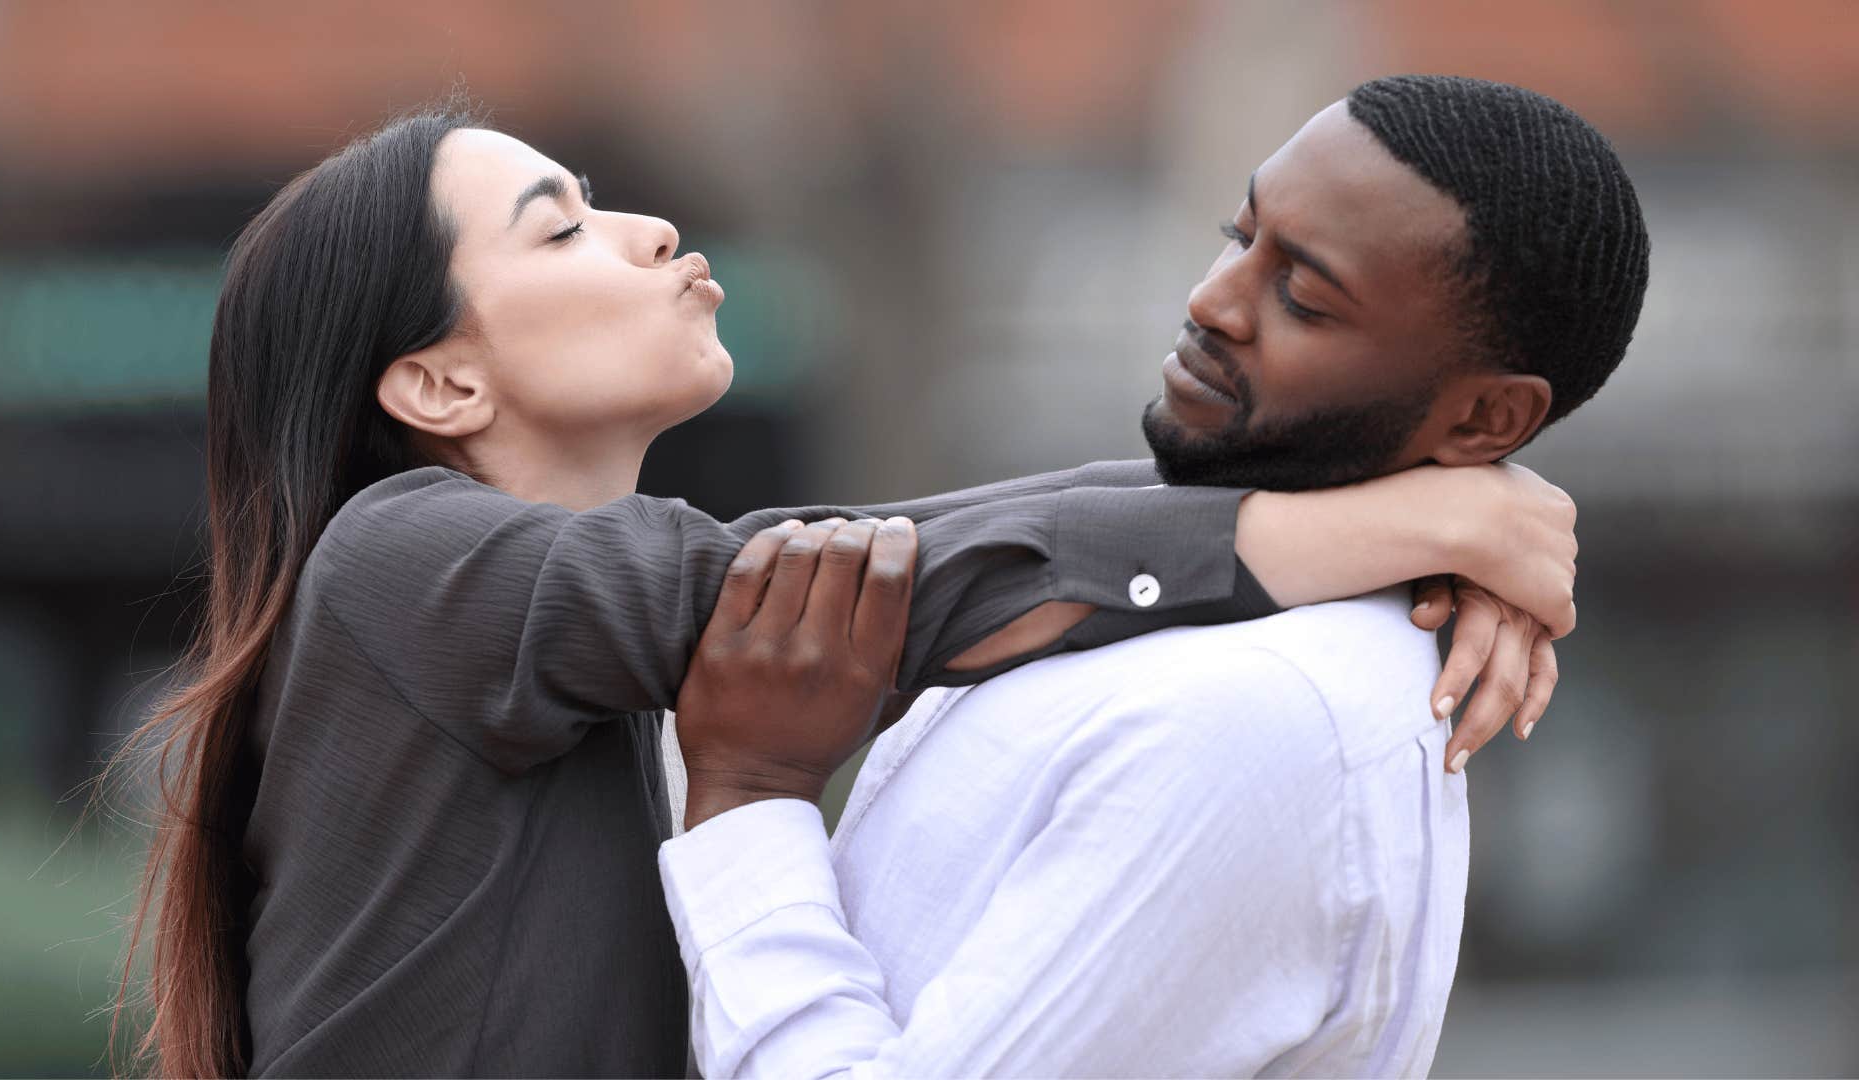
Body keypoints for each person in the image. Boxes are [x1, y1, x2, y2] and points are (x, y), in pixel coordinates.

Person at [111, 95, 1575, 1078]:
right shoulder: (400, 562)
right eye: (559, 228)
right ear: (438, 379)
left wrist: (1423, 510)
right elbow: (851, 589)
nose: (651, 234)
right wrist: (1409, 521)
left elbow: (872, 547)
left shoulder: (552, 643)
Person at [662, 74, 1648, 1078]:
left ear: (1485, 422)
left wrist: (751, 796)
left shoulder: (1262, 717)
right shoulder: (1185, 604)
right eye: (1240, 231)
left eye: (1303, 294)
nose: (1213, 298)